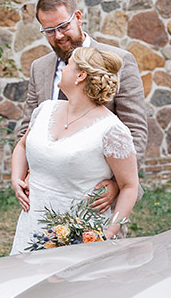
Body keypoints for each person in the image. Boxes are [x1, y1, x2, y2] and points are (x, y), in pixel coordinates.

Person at [16, 0, 148, 213]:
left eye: (63, 26)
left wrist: (119, 183)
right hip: (43, 200)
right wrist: (21, 176)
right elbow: (26, 129)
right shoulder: (40, 68)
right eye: (49, 31)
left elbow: (135, 131)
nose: (58, 36)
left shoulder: (119, 61)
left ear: (78, 17)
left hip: (96, 199)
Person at [10, 47, 140, 254]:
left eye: (68, 65)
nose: (62, 69)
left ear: (81, 76)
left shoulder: (112, 130)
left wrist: (106, 235)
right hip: (30, 227)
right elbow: (22, 146)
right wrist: (16, 177)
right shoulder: (45, 110)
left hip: (80, 237)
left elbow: (130, 186)